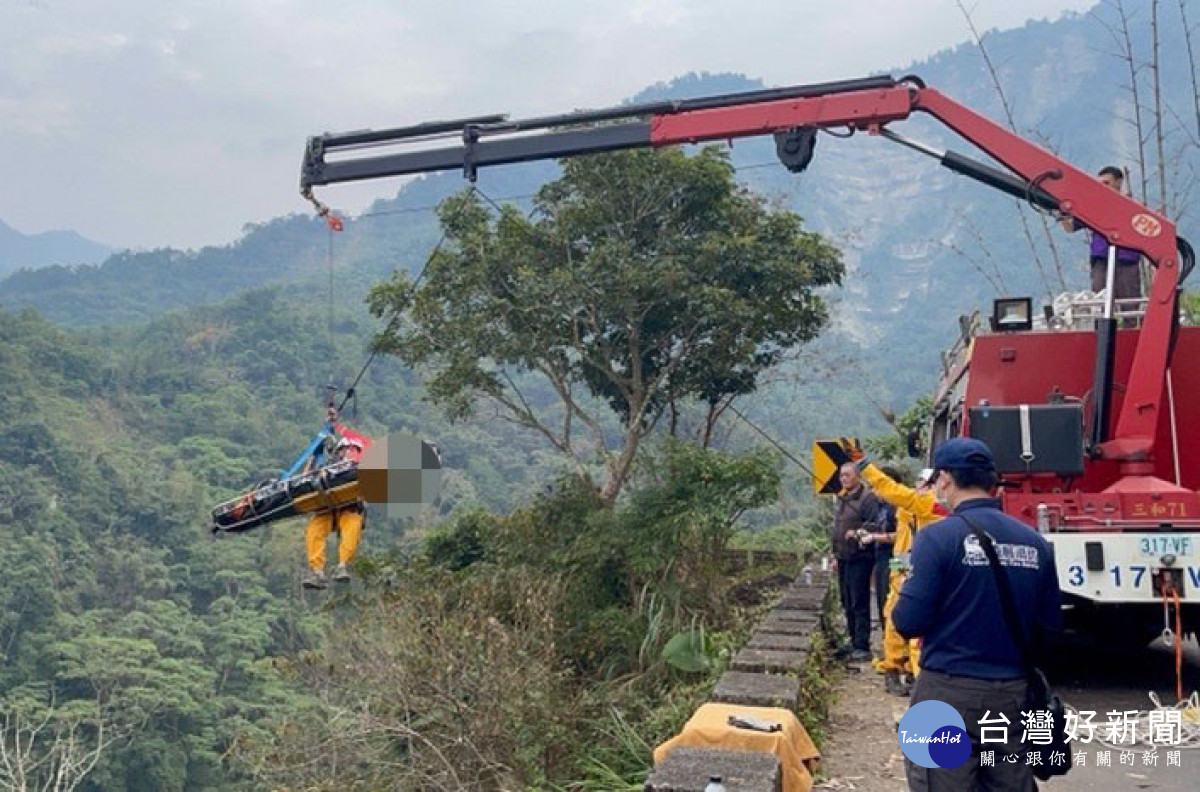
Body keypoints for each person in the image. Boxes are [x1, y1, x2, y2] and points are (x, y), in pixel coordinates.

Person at [893, 438, 1063, 792]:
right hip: (1012, 695)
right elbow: (1050, 631)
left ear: (944, 479)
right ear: (992, 482)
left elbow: (909, 622)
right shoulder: (1035, 543)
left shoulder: (936, 539)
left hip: (945, 692)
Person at [851, 458, 943, 696]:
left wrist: (866, 467)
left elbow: (891, 489)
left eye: (924, 482)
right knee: (892, 619)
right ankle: (896, 669)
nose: (919, 486)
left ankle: (919, 679)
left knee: (917, 630)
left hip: (920, 570)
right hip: (901, 567)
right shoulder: (912, 508)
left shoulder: (929, 505)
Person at [1062, 165, 1143, 303]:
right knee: (1099, 303)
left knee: (1130, 305)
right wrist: (1062, 213)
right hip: (1101, 261)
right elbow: (1070, 227)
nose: (1102, 187)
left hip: (1127, 261)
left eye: (1107, 183)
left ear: (1119, 183)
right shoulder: (1094, 207)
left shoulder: (1134, 207)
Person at [302, 434, 367, 590]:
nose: (350, 453)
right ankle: (317, 572)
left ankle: (342, 565)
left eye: (353, 450)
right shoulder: (329, 468)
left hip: (349, 507)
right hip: (327, 508)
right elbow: (307, 477)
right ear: (339, 451)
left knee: (352, 528)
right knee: (314, 530)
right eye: (347, 450)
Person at [831, 462, 881, 662]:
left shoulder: (867, 498)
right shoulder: (843, 498)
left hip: (860, 557)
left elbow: (875, 524)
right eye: (841, 475)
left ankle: (862, 644)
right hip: (843, 557)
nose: (843, 478)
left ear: (858, 476)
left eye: (847, 475)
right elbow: (837, 527)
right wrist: (835, 554)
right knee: (846, 600)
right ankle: (852, 640)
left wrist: (858, 532)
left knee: (859, 600)